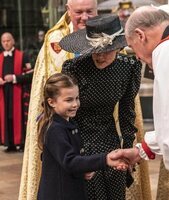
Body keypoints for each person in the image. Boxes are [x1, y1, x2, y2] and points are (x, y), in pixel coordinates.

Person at [110, 5, 169, 197]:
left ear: (140, 35)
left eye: (134, 48)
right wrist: (142, 149)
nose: (141, 59)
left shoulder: (167, 51)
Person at [18, 0, 98, 199]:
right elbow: (44, 87)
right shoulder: (55, 39)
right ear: (68, 10)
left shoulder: (110, 36)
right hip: (64, 126)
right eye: (79, 12)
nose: (85, 17)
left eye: (90, 11)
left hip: (99, 127)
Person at [59, 14, 142, 200]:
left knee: (115, 191)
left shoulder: (129, 67)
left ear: (118, 47)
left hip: (109, 138)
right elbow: (65, 115)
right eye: (94, 49)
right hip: (80, 139)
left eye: (106, 50)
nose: (99, 55)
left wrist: (127, 151)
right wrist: (71, 155)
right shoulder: (75, 67)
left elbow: (126, 111)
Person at [37, 72, 127, 200]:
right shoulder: (54, 129)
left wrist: (82, 170)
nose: (75, 104)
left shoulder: (69, 123)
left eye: (77, 98)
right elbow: (70, 161)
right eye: (69, 100)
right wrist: (105, 159)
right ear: (51, 102)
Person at [0, 32, 33, 152]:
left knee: (19, 117)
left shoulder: (22, 56)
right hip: (4, 94)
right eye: (3, 41)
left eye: (8, 40)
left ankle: (22, 143)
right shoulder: (0, 57)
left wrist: (14, 78)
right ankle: (10, 144)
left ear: (13, 41)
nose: (6, 43)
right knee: (7, 117)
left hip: (18, 93)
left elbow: (30, 76)